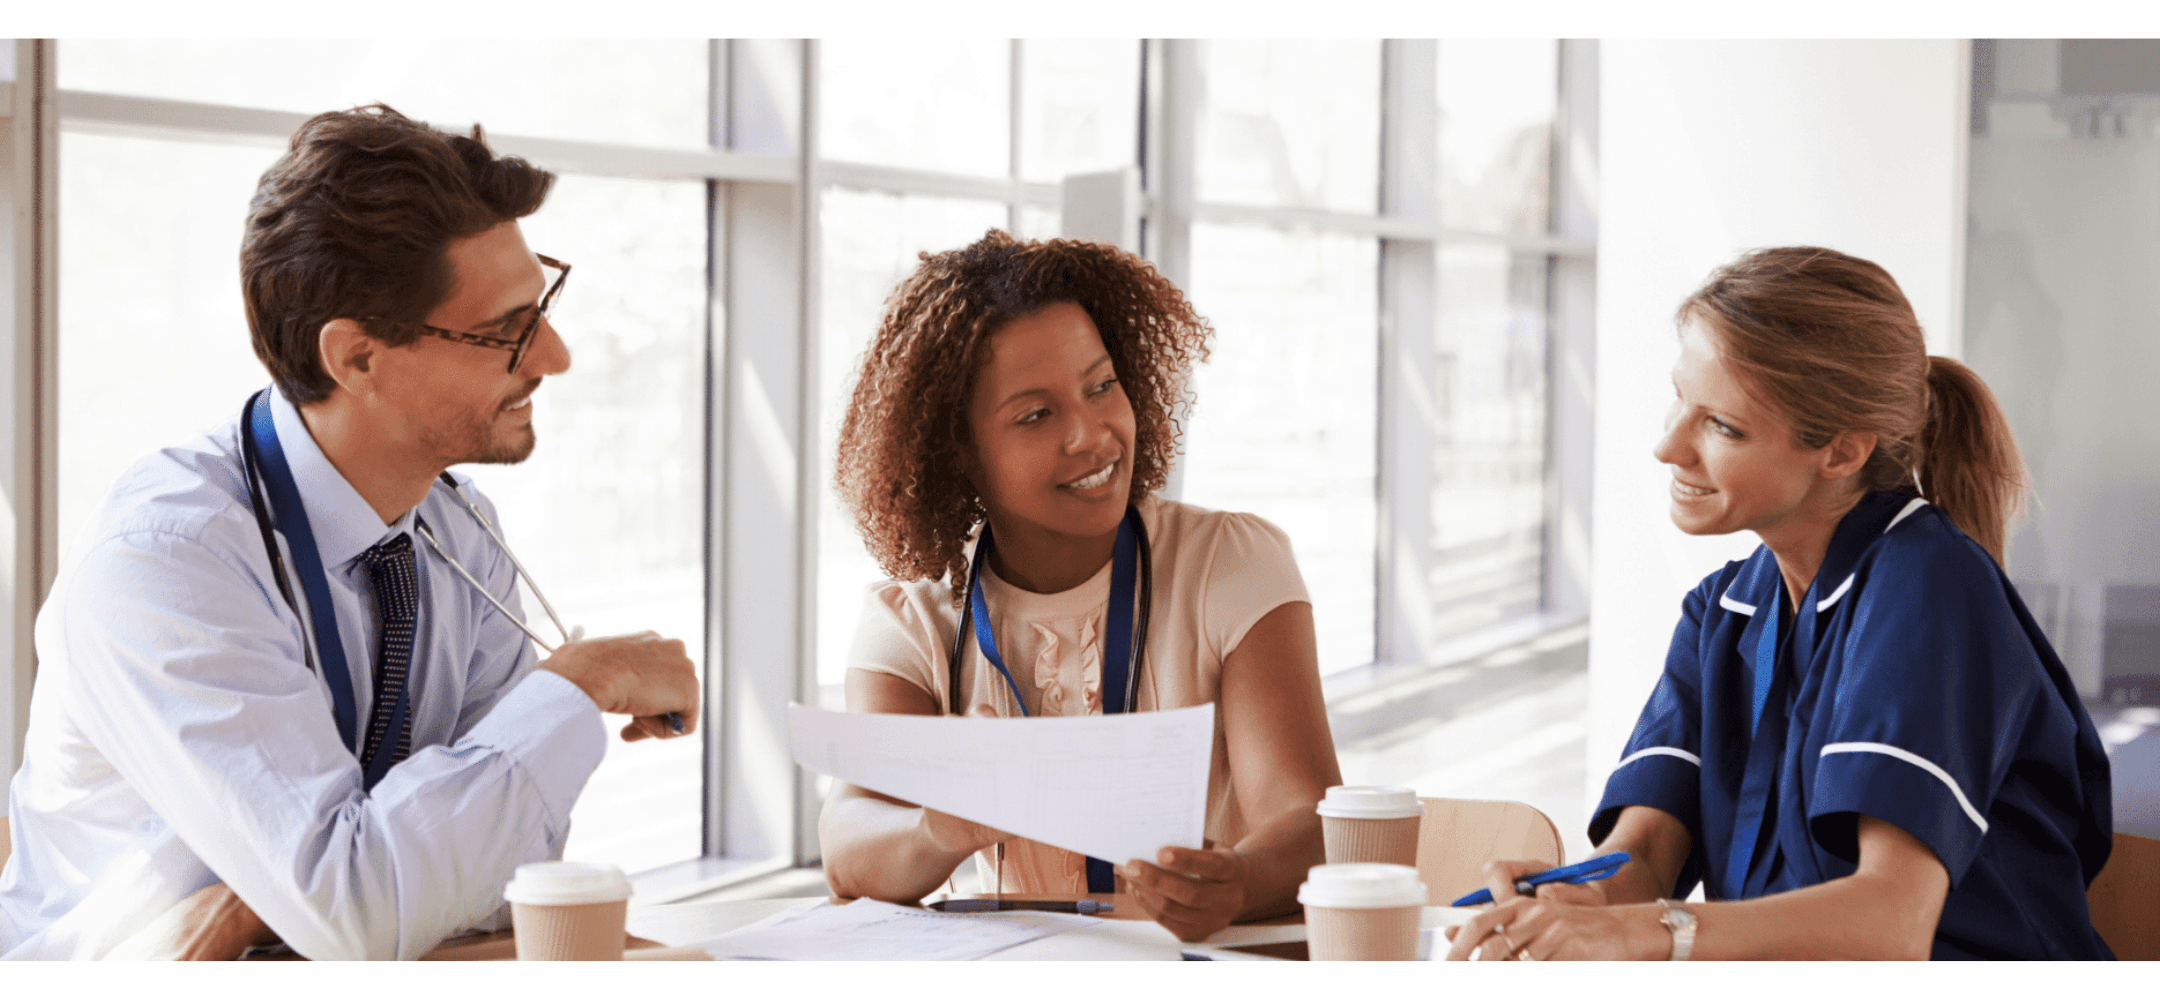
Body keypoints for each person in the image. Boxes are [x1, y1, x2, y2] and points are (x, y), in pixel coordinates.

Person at [0, 104, 700, 961]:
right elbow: (359, 909)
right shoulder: (168, 563)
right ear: (357, 358)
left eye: (541, 306)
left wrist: (258, 902)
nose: (553, 356)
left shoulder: (457, 530)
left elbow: (501, 859)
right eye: (504, 331)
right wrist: (582, 683)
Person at [1445, 246, 2114, 961]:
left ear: (1842, 452)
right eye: (1680, 399)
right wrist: (1576, 901)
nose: (1668, 446)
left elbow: (1892, 923)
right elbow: (1642, 854)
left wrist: (1639, 932)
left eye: (1721, 426)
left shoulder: (1931, 590)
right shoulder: (1723, 610)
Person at [817, 231, 1342, 942]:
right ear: (958, 450)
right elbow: (849, 846)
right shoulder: (913, 619)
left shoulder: (1230, 564)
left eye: (1101, 387)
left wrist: (1238, 882)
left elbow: (1308, 816)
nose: (1090, 435)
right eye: (1036, 414)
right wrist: (941, 827)